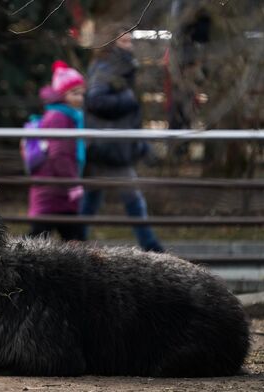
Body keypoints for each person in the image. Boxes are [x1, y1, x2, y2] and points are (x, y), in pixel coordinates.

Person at [81, 30, 164, 252]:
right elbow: (95, 100)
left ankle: (77, 242)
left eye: (130, 40)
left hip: (113, 144)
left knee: (93, 197)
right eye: (125, 40)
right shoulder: (107, 67)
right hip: (110, 145)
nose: (130, 45)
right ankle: (151, 246)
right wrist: (127, 99)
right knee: (131, 198)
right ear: (112, 43)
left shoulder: (120, 65)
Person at [28, 60, 86, 241]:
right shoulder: (60, 117)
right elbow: (59, 154)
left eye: (82, 94)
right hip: (55, 188)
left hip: (55, 188)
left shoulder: (66, 116)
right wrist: (72, 183)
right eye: (75, 93)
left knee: (48, 237)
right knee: (40, 238)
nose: (80, 98)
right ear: (62, 94)